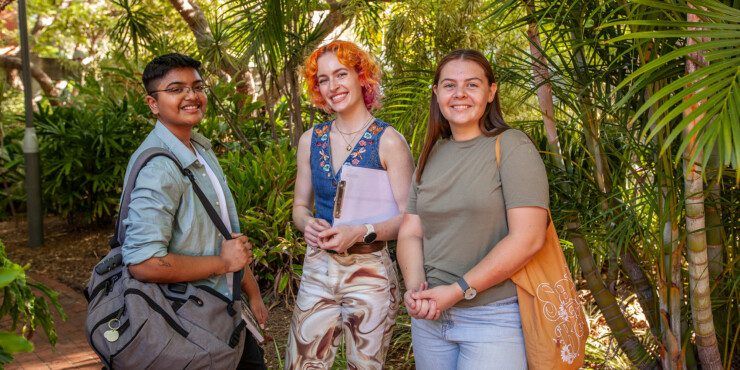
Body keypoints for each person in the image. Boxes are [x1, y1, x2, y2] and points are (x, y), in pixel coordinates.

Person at [397, 49, 550, 369]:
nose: (460, 94)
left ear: (491, 91)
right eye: (450, 85)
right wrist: (415, 289)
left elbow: (529, 238)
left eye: (472, 85)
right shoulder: (430, 153)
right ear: (436, 92)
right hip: (431, 321)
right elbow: (411, 230)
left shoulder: (512, 146)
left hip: (494, 320)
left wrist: (457, 291)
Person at [122, 53, 268, 369]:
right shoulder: (160, 168)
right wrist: (222, 263)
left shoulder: (199, 150)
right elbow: (143, 263)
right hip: (187, 326)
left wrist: (251, 292)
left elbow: (224, 234)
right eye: (176, 89)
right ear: (153, 103)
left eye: (197, 86)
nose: (191, 96)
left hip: (224, 315)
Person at [285, 40, 414, 369]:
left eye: (341, 74)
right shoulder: (310, 140)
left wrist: (360, 232)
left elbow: (410, 219)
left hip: (369, 272)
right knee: (301, 364)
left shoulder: (389, 141)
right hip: (318, 268)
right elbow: (300, 207)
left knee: (365, 366)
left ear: (361, 78)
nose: (332, 86)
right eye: (323, 79)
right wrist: (307, 223)